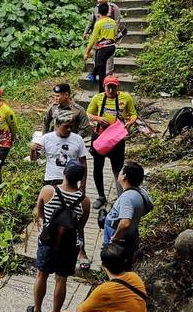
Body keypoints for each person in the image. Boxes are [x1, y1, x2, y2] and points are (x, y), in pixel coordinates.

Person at [27, 160, 90, 312]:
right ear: (80, 178)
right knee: (61, 280)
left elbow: (40, 213)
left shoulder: (48, 191)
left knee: (42, 275)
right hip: (69, 246)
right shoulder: (84, 201)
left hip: (48, 241)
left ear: (64, 173)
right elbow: (80, 226)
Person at [31, 112, 92, 269]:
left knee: (73, 219)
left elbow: (83, 163)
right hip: (52, 181)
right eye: (66, 126)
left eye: (72, 125)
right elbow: (34, 159)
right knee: (51, 218)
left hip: (72, 182)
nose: (70, 128)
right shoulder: (46, 139)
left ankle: (81, 250)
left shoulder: (77, 139)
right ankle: (47, 243)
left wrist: (83, 186)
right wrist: (33, 150)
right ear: (57, 125)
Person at [86, 76, 137, 210]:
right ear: (104, 86)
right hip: (100, 138)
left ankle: (121, 197)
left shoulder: (126, 98)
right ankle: (101, 196)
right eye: (108, 86)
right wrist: (98, 118)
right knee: (98, 167)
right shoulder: (98, 98)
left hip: (116, 140)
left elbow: (133, 114)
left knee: (118, 169)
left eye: (113, 86)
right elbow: (88, 114)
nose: (110, 89)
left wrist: (130, 122)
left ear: (117, 86)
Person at [103, 162, 153, 261]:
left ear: (124, 176)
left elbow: (125, 223)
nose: (119, 173)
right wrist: (136, 216)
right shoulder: (140, 191)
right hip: (132, 234)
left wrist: (115, 238)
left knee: (114, 264)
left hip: (120, 239)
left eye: (121, 171)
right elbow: (150, 206)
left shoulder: (127, 198)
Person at [83, 0, 123, 76]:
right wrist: (86, 31)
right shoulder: (96, 8)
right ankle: (98, 73)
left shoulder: (113, 8)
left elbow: (117, 21)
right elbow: (91, 20)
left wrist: (114, 35)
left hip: (108, 38)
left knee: (109, 58)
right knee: (96, 56)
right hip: (97, 36)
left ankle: (108, 75)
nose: (99, 0)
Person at [84, 3, 118, 93]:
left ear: (98, 12)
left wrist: (87, 52)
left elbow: (93, 39)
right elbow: (115, 34)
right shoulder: (113, 22)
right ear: (108, 11)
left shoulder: (99, 23)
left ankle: (102, 93)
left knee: (102, 73)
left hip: (103, 49)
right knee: (99, 64)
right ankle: (94, 74)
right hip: (111, 48)